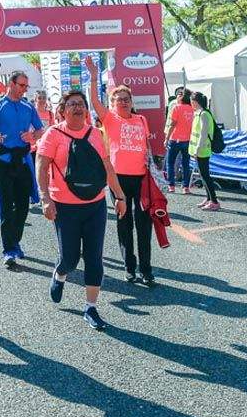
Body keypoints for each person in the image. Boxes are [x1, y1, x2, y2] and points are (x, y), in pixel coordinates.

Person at [36, 90, 127, 330]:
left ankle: (91, 307)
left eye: (81, 104)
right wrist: (45, 198)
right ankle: (60, 274)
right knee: (70, 258)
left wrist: (119, 195)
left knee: (94, 257)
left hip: (95, 204)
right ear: (63, 110)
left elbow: (107, 165)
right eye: (72, 104)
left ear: (86, 110)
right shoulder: (53, 134)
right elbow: (41, 165)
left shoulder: (97, 134)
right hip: (65, 206)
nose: (78, 107)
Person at [86, 56, 156, 285]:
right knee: (124, 224)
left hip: (141, 178)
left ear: (131, 101)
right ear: (113, 103)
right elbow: (94, 100)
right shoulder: (110, 119)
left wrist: (153, 171)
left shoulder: (141, 120)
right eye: (119, 100)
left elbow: (146, 148)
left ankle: (146, 269)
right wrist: (94, 76)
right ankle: (130, 267)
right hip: (118, 179)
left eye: (126, 99)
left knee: (144, 224)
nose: (123, 103)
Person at [0, 71, 44, 269]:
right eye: (22, 85)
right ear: (11, 84)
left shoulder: (28, 106)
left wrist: (33, 136)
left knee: (23, 207)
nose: (25, 89)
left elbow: (41, 130)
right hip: (3, 160)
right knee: (7, 206)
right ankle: (9, 250)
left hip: (23, 160)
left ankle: (14, 241)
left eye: (26, 86)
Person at [189, 91, 220, 211]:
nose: (191, 103)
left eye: (192, 101)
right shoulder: (199, 113)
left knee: (205, 175)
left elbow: (203, 133)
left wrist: (197, 148)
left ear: (196, 102)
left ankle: (214, 201)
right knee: (203, 175)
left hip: (203, 149)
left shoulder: (203, 114)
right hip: (200, 149)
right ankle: (209, 199)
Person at [164, 87, 194, 194]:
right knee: (186, 164)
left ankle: (171, 186)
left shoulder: (176, 108)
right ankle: (186, 187)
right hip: (187, 140)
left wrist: (166, 138)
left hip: (175, 139)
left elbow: (172, 124)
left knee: (170, 163)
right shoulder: (192, 109)